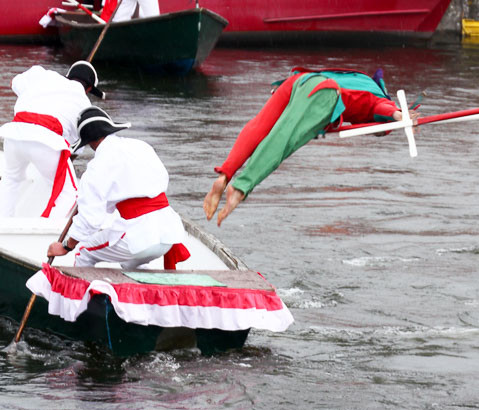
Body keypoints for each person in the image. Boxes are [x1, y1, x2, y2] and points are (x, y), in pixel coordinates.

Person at [203, 69, 406, 225]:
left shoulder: (359, 80)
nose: (374, 132)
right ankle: (240, 187)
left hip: (301, 80)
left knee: (258, 127)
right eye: (378, 131)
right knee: (284, 138)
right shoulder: (378, 98)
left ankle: (224, 175)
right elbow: (380, 107)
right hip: (323, 93)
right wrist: (398, 114)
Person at [47, 106, 189, 271]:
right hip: (169, 233)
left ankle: (85, 297)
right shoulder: (141, 146)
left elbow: (91, 220)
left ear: (89, 141)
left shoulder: (96, 168)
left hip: (141, 238)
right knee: (128, 264)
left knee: (82, 251)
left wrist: (66, 246)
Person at [0, 61, 103, 221]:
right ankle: (45, 230)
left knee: (11, 179)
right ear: (89, 88)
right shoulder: (85, 106)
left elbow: (15, 83)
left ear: (68, 76)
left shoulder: (42, 75)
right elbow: (73, 151)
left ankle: (4, 222)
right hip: (46, 140)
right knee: (69, 192)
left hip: (13, 134)